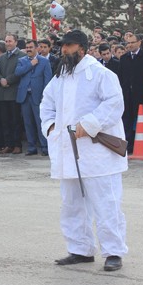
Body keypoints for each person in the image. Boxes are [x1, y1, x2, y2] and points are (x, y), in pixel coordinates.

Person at [40, 30, 128, 272]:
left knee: (106, 203)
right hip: (67, 152)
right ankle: (80, 249)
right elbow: (46, 104)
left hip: (98, 153)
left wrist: (88, 125)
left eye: (68, 46)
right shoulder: (60, 76)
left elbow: (114, 103)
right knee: (71, 204)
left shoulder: (101, 74)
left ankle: (113, 252)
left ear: (82, 48)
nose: (63, 50)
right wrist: (50, 127)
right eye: (62, 46)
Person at [15, 40, 52, 156]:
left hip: (38, 97)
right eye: (27, 47)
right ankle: (31, 147)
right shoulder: (22, 61)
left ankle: (45, 147)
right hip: (25, 97)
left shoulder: (45, 62)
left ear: (37, 48)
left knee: (40, 123)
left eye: (31, 47)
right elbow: (17, 73)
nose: (29, 49)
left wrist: (44, 97)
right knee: (28, 123)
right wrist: (31, 64)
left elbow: (48, 81)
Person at [0, 34, 26, 154]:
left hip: (14, 93)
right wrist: (0, 80)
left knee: (15, 120)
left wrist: (8, 80)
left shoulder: (22, 56)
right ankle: (8, 144)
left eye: (10, 41)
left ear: (16, 42)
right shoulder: (2, 58)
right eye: (6, 41)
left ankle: (17, 145)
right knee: (5, 121)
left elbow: (19, 73)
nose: (8, 43)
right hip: (2, 94)